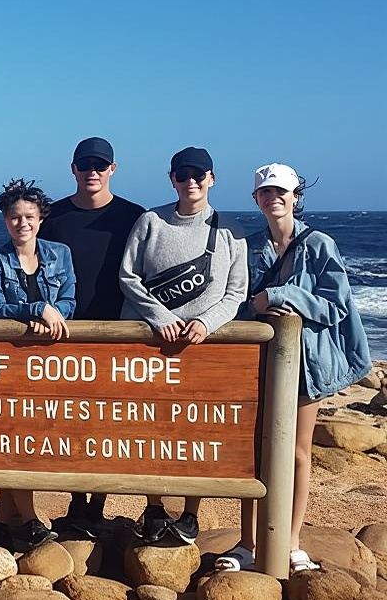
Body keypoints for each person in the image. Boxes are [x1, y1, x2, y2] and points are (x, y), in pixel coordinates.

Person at [216, 164, 371, 573]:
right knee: (255, 452)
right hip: (258, 363)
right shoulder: (246, 247)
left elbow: (336, 305)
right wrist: (257, 302)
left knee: (299, 453)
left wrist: (284, 295)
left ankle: (291, 541)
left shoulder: (319, 244)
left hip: (307, 364)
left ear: (295, 195)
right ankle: (247, 543)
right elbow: (236, 299)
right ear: (256, 199)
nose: (274, 198)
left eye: (281, 191)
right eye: (265, 192)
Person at [119, 146, 247, 545]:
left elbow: (236, 292)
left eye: (198, 174)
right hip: (154, 347)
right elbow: (128, 277)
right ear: (171, 179)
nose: (190, 182)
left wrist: (205, 324)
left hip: (203, 349)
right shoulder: (150, 221)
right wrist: (162, 320)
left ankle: (190, 513)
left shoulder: (230, 231)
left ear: (212, 178)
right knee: (149, 428)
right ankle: (154, 506)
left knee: (200, 431)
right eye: (182, 175)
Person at [39, 137, 146, 538]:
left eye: (100, 165)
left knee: (107, 425)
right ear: (73, 169)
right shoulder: (54, 216)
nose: (93, 172)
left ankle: (96, 504)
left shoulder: (133, 216)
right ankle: (74, 502)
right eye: (85, 165)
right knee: (65, 423)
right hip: (62, 333)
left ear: (113, 169)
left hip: (115, 334)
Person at [0, 179, 72, 551]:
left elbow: (69, 300)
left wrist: (52, 315)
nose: (22, 223)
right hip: (11, 361)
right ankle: (30, 520)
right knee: (14, 435)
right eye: (15, 217)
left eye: (29, 216)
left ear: (40, 219)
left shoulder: (60, 254)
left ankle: (0, 519)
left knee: (33, 436)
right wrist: (36, 309)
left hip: (48, 361)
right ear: (5, 220)